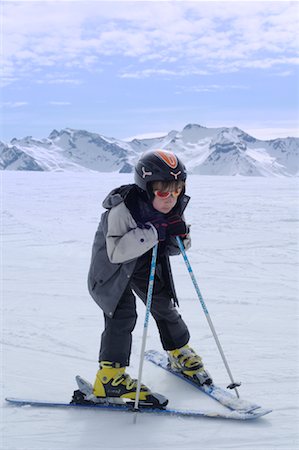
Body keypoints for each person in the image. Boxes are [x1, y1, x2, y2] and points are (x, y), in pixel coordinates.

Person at [87, 149, 211, 408]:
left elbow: (175, 249)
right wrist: (155, 230)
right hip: (112, 270)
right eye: (163, 192)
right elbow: (117, 252)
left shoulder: (172, 207)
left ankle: (178, 352)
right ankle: (110, 377)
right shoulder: (121, 210)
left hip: (145, 262)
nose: (170, 199)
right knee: (122, 316)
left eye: (176, 190)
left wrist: (180, 235)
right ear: (146, 188)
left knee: (163, 304)